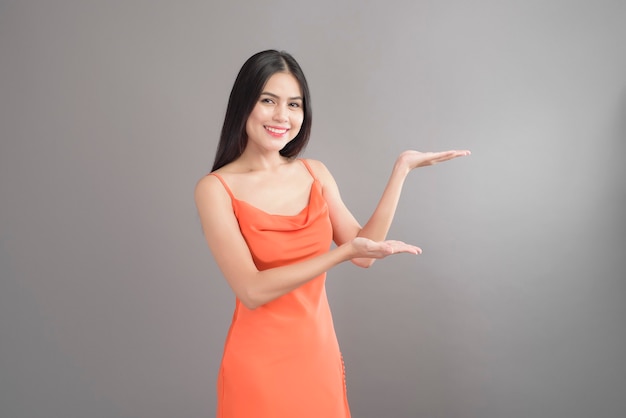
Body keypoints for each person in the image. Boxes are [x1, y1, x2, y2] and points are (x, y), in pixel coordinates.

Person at [195, 49, 470, 418]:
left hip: (316, 357)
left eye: (294, 104)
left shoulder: (315, 173)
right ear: (244, 103)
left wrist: (401, 169)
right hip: (257, 366)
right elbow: (252, 289)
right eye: (268, 101)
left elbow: (362, 253)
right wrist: (338, 254)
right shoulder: (215, 189)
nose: (282, 116)